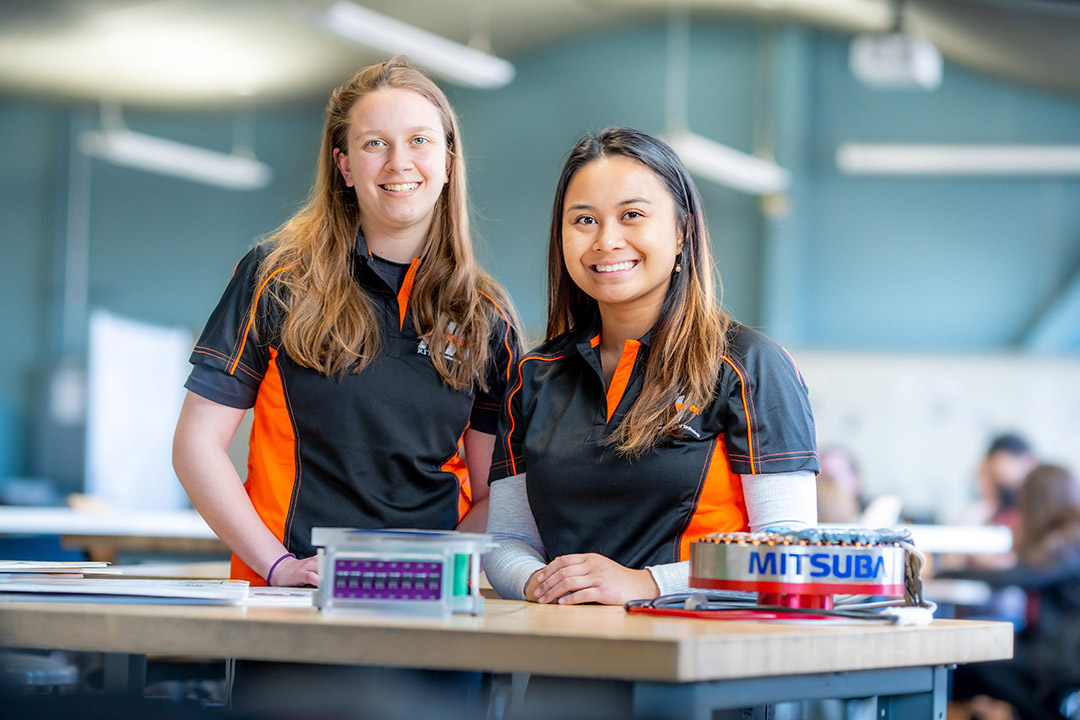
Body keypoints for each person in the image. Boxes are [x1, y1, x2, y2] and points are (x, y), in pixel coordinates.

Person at [172, 55, 520, 590]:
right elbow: (196, 445)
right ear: (345, 165)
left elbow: (496, 494)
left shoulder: (484, 316)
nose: (399, 162)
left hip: (432, 613)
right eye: (374, 143)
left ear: (449, 160)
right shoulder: (277, 278)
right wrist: (278, 566)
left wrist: (421, 575)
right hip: (292, 603)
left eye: (420, 141)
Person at [483, 127, 819, 607]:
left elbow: (790, 550)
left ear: (682, 230)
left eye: (632, 215)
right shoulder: (534, 375)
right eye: (584, 220)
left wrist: (649, 584)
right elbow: (507, 540)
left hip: (698, 656)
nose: (606, 240)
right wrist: (539, 582)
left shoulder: (749, 366)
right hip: (561, 656)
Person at [946, 464, 1080, 720]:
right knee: (969, 665)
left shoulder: (1071, 537)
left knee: (968, 668)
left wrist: (949, 573)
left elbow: (1017, 575)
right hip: (1053, 647)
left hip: (1063, 654)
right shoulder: (1065, 536)